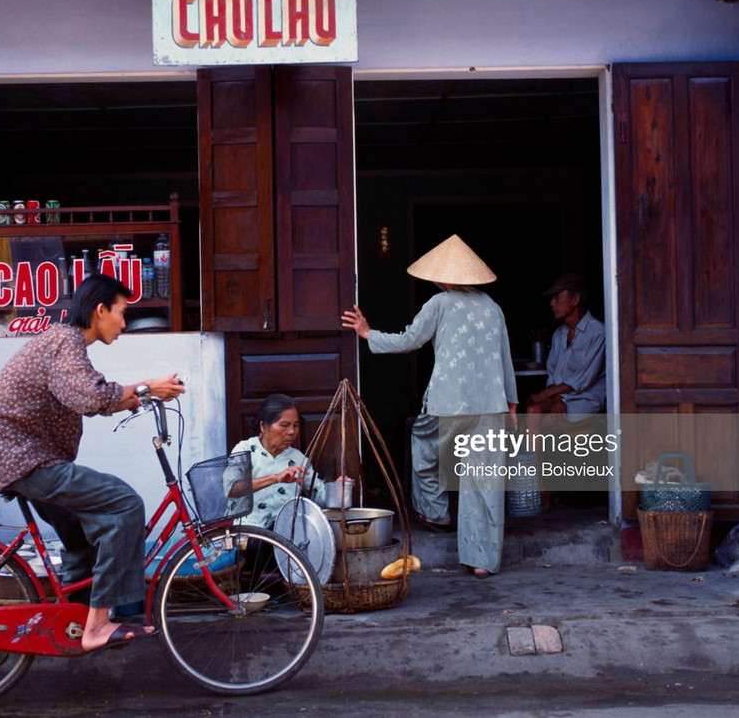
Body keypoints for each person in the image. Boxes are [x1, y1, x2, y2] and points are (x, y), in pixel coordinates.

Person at [0, 274, 185, 653]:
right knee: (124, 504)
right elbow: (92, 397)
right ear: (100, 310)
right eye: (122, 313)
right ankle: (99, 625)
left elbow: (91, 398)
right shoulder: (65, 341)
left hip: (26, 460)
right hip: (26, 461)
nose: (124, 323)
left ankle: (73, 622)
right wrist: (147, 387)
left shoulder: (64, 344)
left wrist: (144, 396)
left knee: (80, 536)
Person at [342, 234, 517, 578]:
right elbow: (505, 358)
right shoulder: (492, 307)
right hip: (491, 404)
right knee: (484, 481)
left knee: (423, 445)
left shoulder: (440, 303)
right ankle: (482, 561)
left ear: (444, 277)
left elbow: (410, 340)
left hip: (447, 402)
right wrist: (511, 403)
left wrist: (367, 333)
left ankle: (436, 512)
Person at [225, 393, 327, 529]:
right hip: (246, 532)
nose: (291, 432)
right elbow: (231, 488)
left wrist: (338, 490)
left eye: (295, 425)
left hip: (283, 534)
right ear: (264, 426)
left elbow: (318, 496)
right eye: (284, 425)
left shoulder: (298, 459)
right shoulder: (245, 450)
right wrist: (276, 478)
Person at [525, 273, 606, 417]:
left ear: (575, 299)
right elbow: (552, 374)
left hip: (585, 399)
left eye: (557, 297)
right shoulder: (559, 334)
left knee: (546, 421)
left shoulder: (598, 332)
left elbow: (583, 379)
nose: (552, 303)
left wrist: (544, 395)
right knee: (532, 410)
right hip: (559, 396)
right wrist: (555, 398)